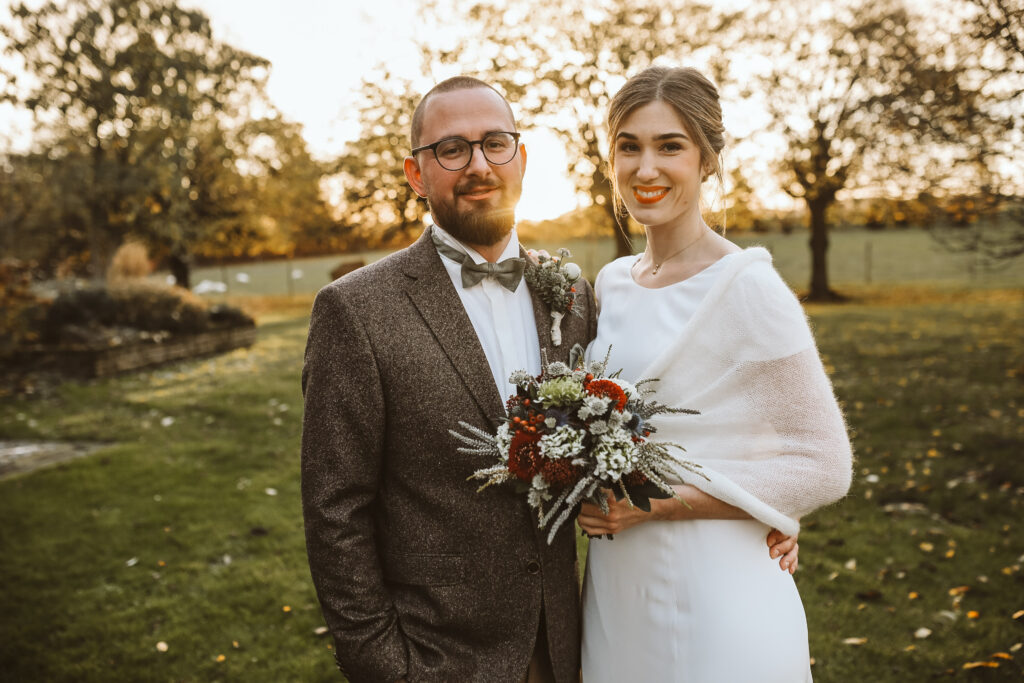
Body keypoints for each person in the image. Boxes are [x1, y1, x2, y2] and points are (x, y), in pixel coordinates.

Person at [301, 76, 598, 683]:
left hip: (568, 648)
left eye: (495, 143)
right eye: (452, 149)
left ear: (521, 157)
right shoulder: (355, 310)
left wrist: (754, 514)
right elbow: (335, 510)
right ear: (416, 174)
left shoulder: (571, 293)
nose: (479, 165)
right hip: (436, 660)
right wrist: (384, 665)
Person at [577, 66, 853, 682]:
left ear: (707, 160)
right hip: (619, 588)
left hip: (716, 587)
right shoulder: (613, 284)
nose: (645, 168)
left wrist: (658, 508)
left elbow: (823, 463)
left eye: (669, 146)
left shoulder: (747, 287)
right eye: (629, 146)